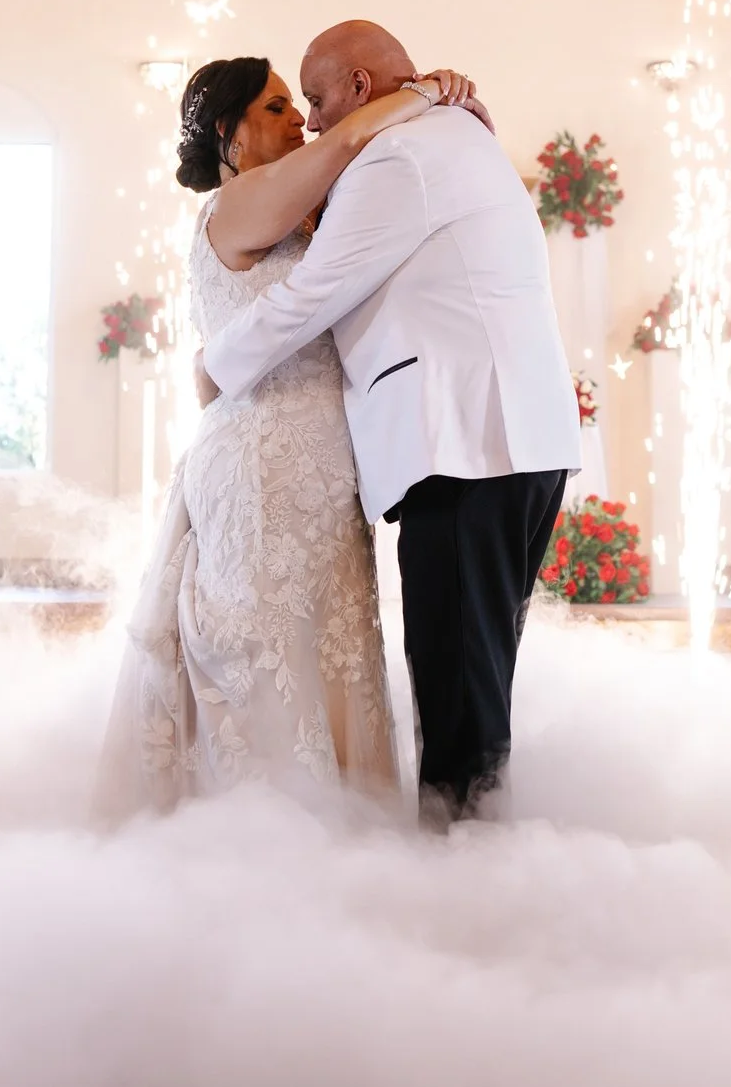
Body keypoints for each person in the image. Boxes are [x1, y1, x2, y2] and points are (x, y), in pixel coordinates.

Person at [198, 21, 578, 825]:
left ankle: (463, 884)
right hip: (513, 440)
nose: (311, 118)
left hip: (465, 444)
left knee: (457, 687)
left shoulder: (398, 155)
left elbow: (315, 292)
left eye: (316, 97)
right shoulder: (452, 137)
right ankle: (483, 860)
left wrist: (214, 365)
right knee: (474, 680)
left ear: (361, 90)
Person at [104, 55, 488, 813]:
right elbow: (343, 144)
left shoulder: (301, 210)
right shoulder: (236, 202)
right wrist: (418, 92)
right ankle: (264, 857)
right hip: (260, 468)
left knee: (332, 655)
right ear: (229, 131)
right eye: (278, 106)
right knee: (266, 660)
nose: (297, 120)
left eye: (296, 105)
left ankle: (335, 861)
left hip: (324, 475)